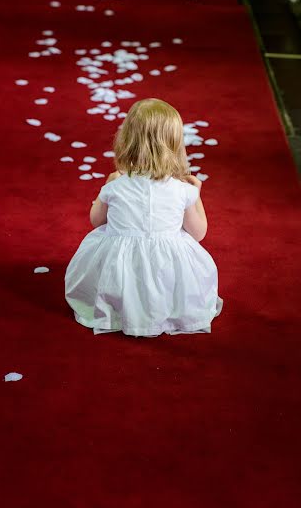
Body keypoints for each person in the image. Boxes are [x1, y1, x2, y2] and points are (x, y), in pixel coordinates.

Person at [65, 98, 223, 337]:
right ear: (175, 143)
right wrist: (196, 194)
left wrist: (109, 191)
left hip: (119, 270)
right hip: (168, 272)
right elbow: (198, 233)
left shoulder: (116, 183)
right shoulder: (183, 190)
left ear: (127, 140)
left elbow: (97, 221)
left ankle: (120, 307)